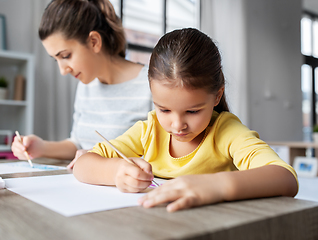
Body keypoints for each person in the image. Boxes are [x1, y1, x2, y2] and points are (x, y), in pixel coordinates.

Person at [73, 28, 298, 212]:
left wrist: (216, 186)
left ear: (217, 96)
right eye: (164, 109)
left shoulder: (225, 132)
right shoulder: (149, 130)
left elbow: (286, 178)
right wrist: (115, 171)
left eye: (192, 111)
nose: (177, 124)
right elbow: (83, 165)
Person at [11, 0, 153, 169]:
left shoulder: (151, 85)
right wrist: (41, 147)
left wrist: (100, 160)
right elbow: (78, 144)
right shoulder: (86, 86)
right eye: (56, 59)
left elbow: (163, 155)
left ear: (94, 42)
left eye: (65, 56)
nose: (63, 71)